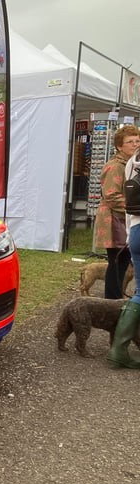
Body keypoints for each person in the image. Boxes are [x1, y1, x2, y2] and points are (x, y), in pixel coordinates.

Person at [94, 125, 140, 299]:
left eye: (137, 140)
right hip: (113, 220)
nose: (135, 144)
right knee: (116, 262)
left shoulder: (132, 164)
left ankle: (116, 300)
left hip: (125, 218)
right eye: (130, 141)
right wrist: (134, 208)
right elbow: (111, 196)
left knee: (123, 261)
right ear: (120, 146)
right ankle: (112, 300)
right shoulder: (115, 166)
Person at [108, 144, 140, 369]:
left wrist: (131, 233)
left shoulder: (133, 162)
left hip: (137, 230)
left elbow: (130, 205)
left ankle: (118, 349)